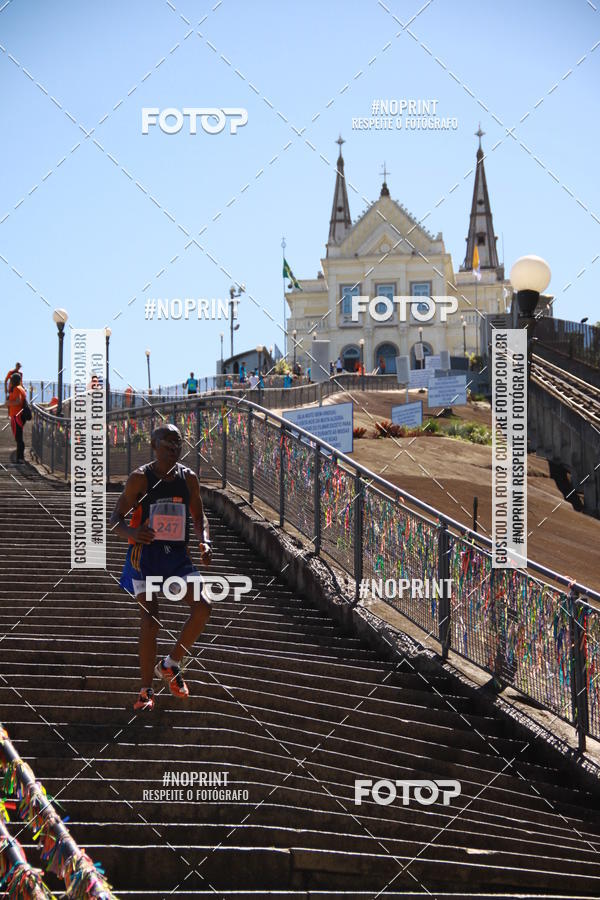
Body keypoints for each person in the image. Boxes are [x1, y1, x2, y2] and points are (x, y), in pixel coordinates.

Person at [111, 423, 212, 710]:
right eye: (167, 443)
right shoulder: (139, 479)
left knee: (203, 606)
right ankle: (145, 691)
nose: (174, 449)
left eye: (178, 444)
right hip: (145, 556)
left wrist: (204, 541)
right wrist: (132, 533)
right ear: (154, 446)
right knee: (151, 620)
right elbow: (115, 519)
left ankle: (170, 664)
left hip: (176, 556)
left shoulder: (188, 478)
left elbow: (199, 517)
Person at [6, 373, 27, 463]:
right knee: (18, 437)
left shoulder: (17, 389)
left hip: (17, 416)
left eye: (11, 380)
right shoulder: (20, 388)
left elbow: (18, 401)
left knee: (19, 438)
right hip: (17, 415)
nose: (10, 382)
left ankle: (20, 458)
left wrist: (8, 403)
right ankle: (20, 457)